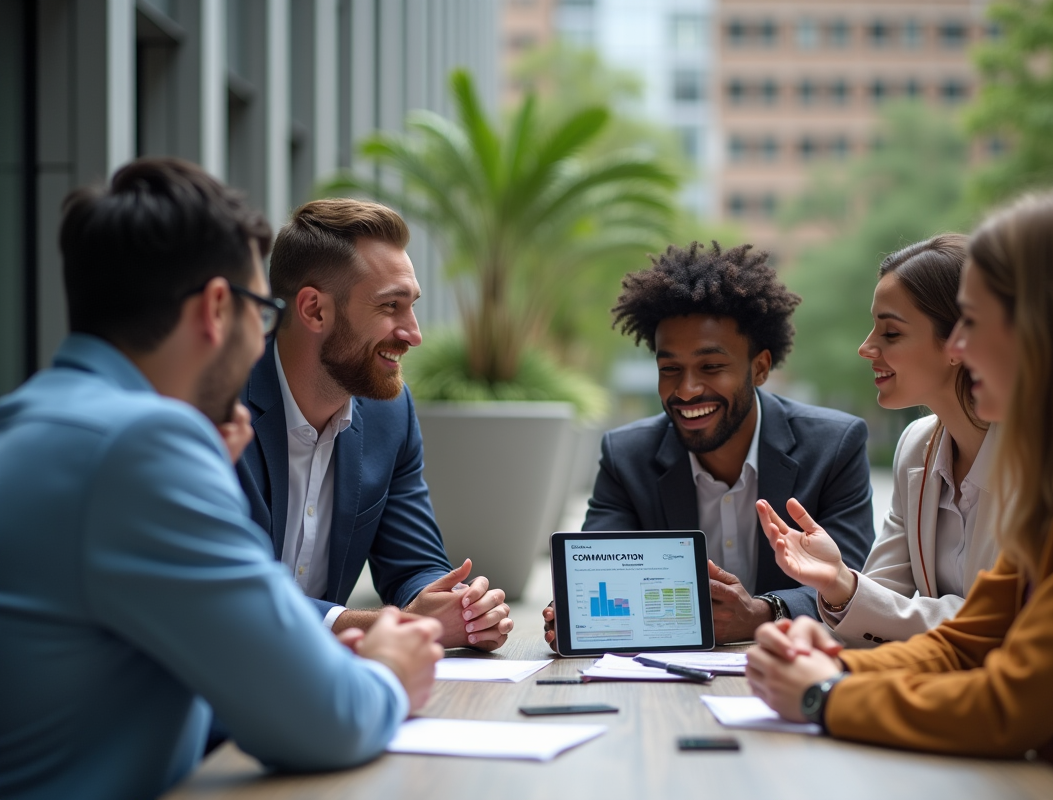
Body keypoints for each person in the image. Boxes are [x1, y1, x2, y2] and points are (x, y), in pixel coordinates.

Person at [0, 159, 444, 800]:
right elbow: (320, 717)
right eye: (260, 311)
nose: (262, 339)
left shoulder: (33, 421)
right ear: (216, 309)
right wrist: (388, 671)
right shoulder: (141, 446)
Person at [746, 187, 1053, 800]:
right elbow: (968, 642)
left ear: (1051, 327)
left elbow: (1012, 703)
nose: (958, 348)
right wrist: (833, 666)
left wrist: (824, 694)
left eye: (974, 323)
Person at [544, 241, 874, 646]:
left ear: (760, 367)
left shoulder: (834, 446)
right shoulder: (626, 456)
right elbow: (599, 576)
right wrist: (575, 614)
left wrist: (763, 613)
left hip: (791, 663)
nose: (686, 390)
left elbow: (852, 582)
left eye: (711, 366)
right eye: (670, 369)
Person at [237, 199, 513, 650]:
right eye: (390, 306)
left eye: (412, 306)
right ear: (314, 310)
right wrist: (393, 625)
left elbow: (413, 564)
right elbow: (232, 590)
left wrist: (460, 607)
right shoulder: (220, 409)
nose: (413, 333)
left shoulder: (390, 413)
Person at [755, 235, 999, 647]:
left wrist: (849, 589)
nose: (866, 347)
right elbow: (879, 610)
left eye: (891, 333)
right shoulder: (916, 447)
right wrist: (837, 582)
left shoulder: (1043, 459)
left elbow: (1004, 620)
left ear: (959, 343)